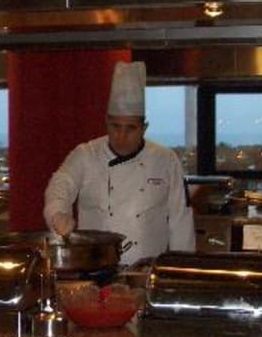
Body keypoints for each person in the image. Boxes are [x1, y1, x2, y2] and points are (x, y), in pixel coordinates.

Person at [43, 61, 195, 266]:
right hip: (94, 269)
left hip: (147, 271)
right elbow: (60, 186)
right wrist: (58, 214)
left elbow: (181, 221)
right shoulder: (85, 155)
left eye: (130, 128)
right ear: (106, 123)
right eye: (115, 126)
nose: (122, 136)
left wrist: (181, 269)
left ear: (144, 128)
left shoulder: (166, 160)